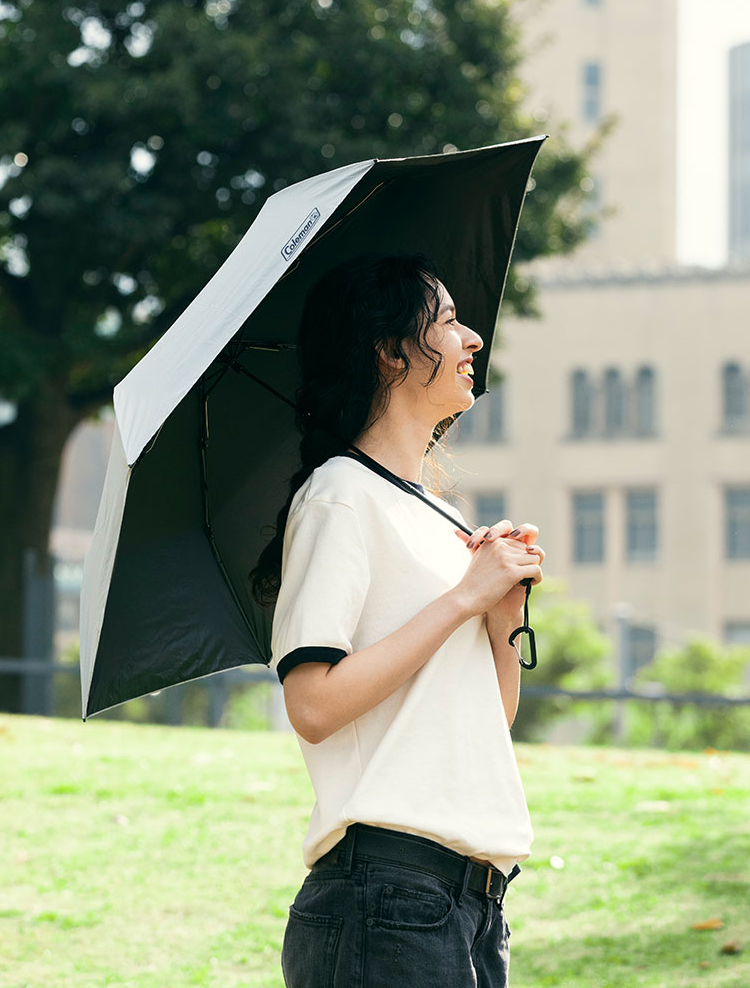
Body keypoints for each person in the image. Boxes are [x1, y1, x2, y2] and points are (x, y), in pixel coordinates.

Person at [250, 253, 545, 988]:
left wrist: (500, 613)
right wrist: (460, 600)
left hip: (468, 903)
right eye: (446, 322)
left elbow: (487, 718)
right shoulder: (339, 496)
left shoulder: (440, 518)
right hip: (385, 898)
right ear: (388, 353)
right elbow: (312, 705)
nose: (472, 338)